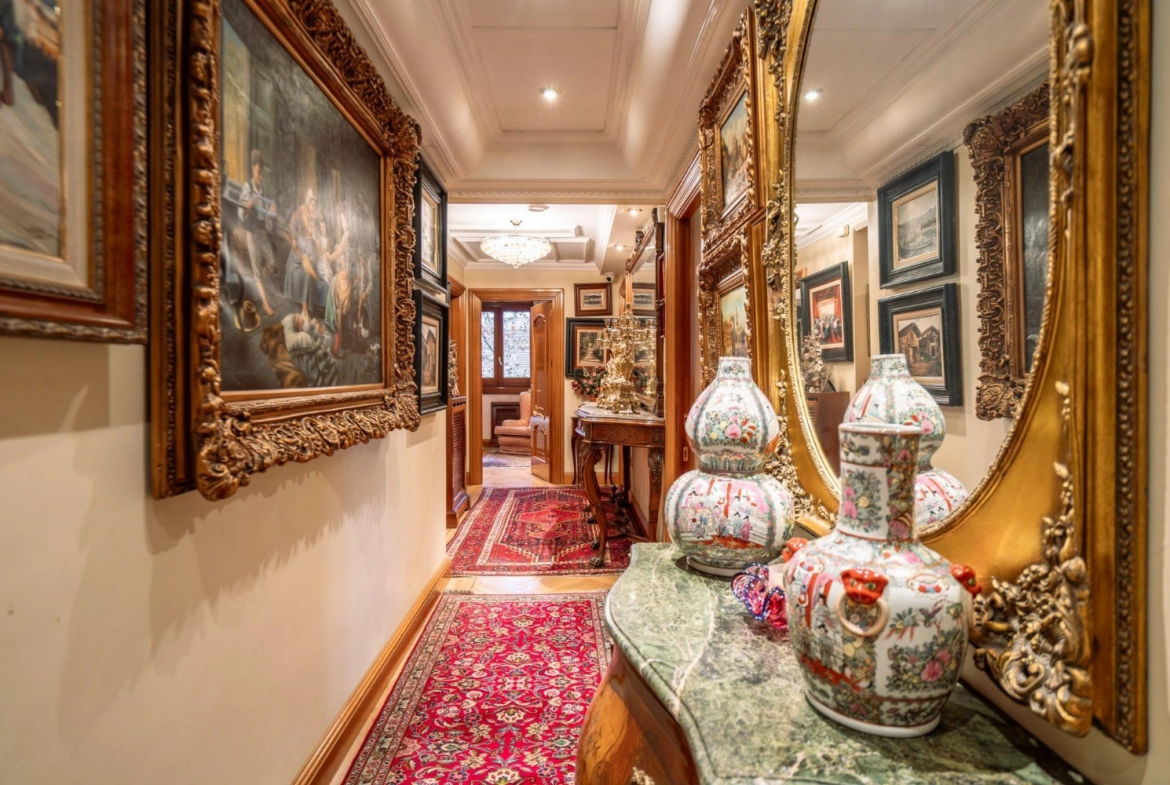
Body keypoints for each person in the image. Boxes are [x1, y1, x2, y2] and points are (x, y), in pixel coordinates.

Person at [236, 150, 276, 316]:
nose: (260, 177)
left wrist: (272, 212)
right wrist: (249, 205)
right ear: (253, 169)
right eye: (258, 173)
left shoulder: (264, 192)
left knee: (271, 263)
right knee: (258, 272)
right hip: (252, 233)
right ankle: (266, 304)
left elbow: (267, 218)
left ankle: (258, 285)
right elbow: (241, 211)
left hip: (262, 232)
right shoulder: (248, 187)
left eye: (262, 174)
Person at [284, 188, 319, 320]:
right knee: (295, 266)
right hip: (300, 244)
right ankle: (300, 305)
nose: (313, 207)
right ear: (308, 203)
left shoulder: (315, 214)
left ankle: (305, 306)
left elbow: (316, 235)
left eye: (314, 205)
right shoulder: (301, 210)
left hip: (310, 248)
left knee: (308, 271)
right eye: (311, 204)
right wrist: (293, 239)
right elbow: (292, 223)